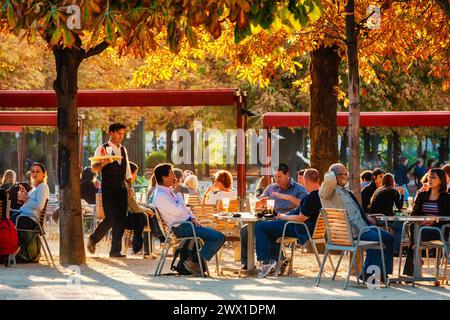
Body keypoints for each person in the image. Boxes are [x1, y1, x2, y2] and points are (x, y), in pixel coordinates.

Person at [319, 163, 394, 280]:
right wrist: (331, 174)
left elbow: (353, 211)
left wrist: (365, 216)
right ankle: (369, 274)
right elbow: (328, 180)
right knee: (377, 239)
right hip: (351, 233)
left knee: (388, 237)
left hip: (362, 227)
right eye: (344, 174)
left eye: (346, 173)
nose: (346, 176)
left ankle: (382, 273)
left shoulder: (345, 191)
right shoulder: (329, 192)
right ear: (334, 176)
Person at [152, 163, 225, 275]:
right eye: (171, 174)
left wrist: (192, 217)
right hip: (181, 227)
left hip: (187, 224)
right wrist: (179, 194)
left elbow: (184, 209)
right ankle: (193, 262)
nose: (175, 177)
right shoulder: (161, 196)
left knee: (214, 237)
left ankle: (193, 263)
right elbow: (179, 211)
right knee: (219, 237)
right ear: (164, 177)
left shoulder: (167, 192)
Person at [254, 169, 322, 278]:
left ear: (306, 181)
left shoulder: (311, 198)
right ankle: (277, 260)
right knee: (270, 229)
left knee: (260, 227)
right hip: (305, 227)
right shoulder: (321, 195)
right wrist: (282, 216)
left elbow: (301, 218)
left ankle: (267, 261)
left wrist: (284, 217)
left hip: (299, 228)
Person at [240, 163, 307, 269]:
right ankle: (247, 263)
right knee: (245, 230)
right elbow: (258, 203)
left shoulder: (299, 189)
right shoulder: (271, 188)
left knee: (265, 229)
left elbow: (306, 205)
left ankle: (274, 260)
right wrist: (260, 202)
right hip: (270, 219)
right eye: (275, 176)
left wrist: (288, 197)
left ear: (287, 175)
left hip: (288, 221)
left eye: (279, 176)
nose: (277, 179)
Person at [87, 123, 132, 258]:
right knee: (111, 218)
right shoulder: (102, 149)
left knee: (121, 220)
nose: (121, 136)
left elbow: (127, 170)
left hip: (122, 188)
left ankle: (115, 250)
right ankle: (93, 239)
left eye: (123, 134)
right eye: (119, 133)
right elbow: (94, 168)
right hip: (108, 188)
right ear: (111, 133)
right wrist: (102, 163)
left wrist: (129, 187)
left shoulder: (123, 149)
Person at [403, 168, 450, 276]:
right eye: (429, 176)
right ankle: (416, 259)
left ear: (441, 181)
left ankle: (412, 266)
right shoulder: (422, 195)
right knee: (414, 228)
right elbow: (413, 214)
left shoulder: (447, 198)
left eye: (433, 177)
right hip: (420, 227)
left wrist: (435, 220)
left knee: (416, 232)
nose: (430, 179)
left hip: (438, 230)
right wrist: (423, 219)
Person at [369, 173, 405, 254]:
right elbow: (399, 207)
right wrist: (402, 195)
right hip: (383, 219)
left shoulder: (378, 190)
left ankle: (393, 247)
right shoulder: (393, 191)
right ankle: (396, 250)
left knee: (396, 224)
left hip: (373, 219)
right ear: (393, 181)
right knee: (400, 225)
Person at [9, 163, 49, 230]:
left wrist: (26, 199)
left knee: (5, 225)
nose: (34, 173)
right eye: (33, 171)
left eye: (37, 171)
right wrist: (25, 193)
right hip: (22, 216)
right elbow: (29, 201)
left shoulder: (43, 187)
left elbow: (39, 206)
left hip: (29, 220)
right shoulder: (36, 187)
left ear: (43, 174)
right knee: (4, 220)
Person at [125, 162, 154, 255]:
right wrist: (146, 209)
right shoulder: (127, 187)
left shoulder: (125, 186)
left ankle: (141, 247)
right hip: (125, 219)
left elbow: (135, 206)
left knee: (142, 216)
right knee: (144, 216)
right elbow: (135, 208)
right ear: (130, 174)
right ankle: (160, 238)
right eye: (135, 173)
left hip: (123, 216)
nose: (136, 176)